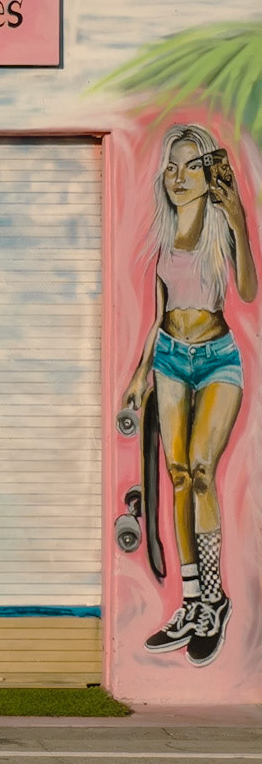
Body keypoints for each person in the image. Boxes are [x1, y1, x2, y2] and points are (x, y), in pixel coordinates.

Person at [122, 124, 257, 666]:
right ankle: (194, 600)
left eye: (190, 166)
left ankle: (216, 599)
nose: (177, 177)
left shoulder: (220, 227)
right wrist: (137, 376)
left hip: (218, 359)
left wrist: (242, 218)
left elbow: (247, 289)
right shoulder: (162, 235)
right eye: (171, 167)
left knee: (201, 468)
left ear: (209, 173)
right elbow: (158, 319)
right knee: (178, 473)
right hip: (170, 358)